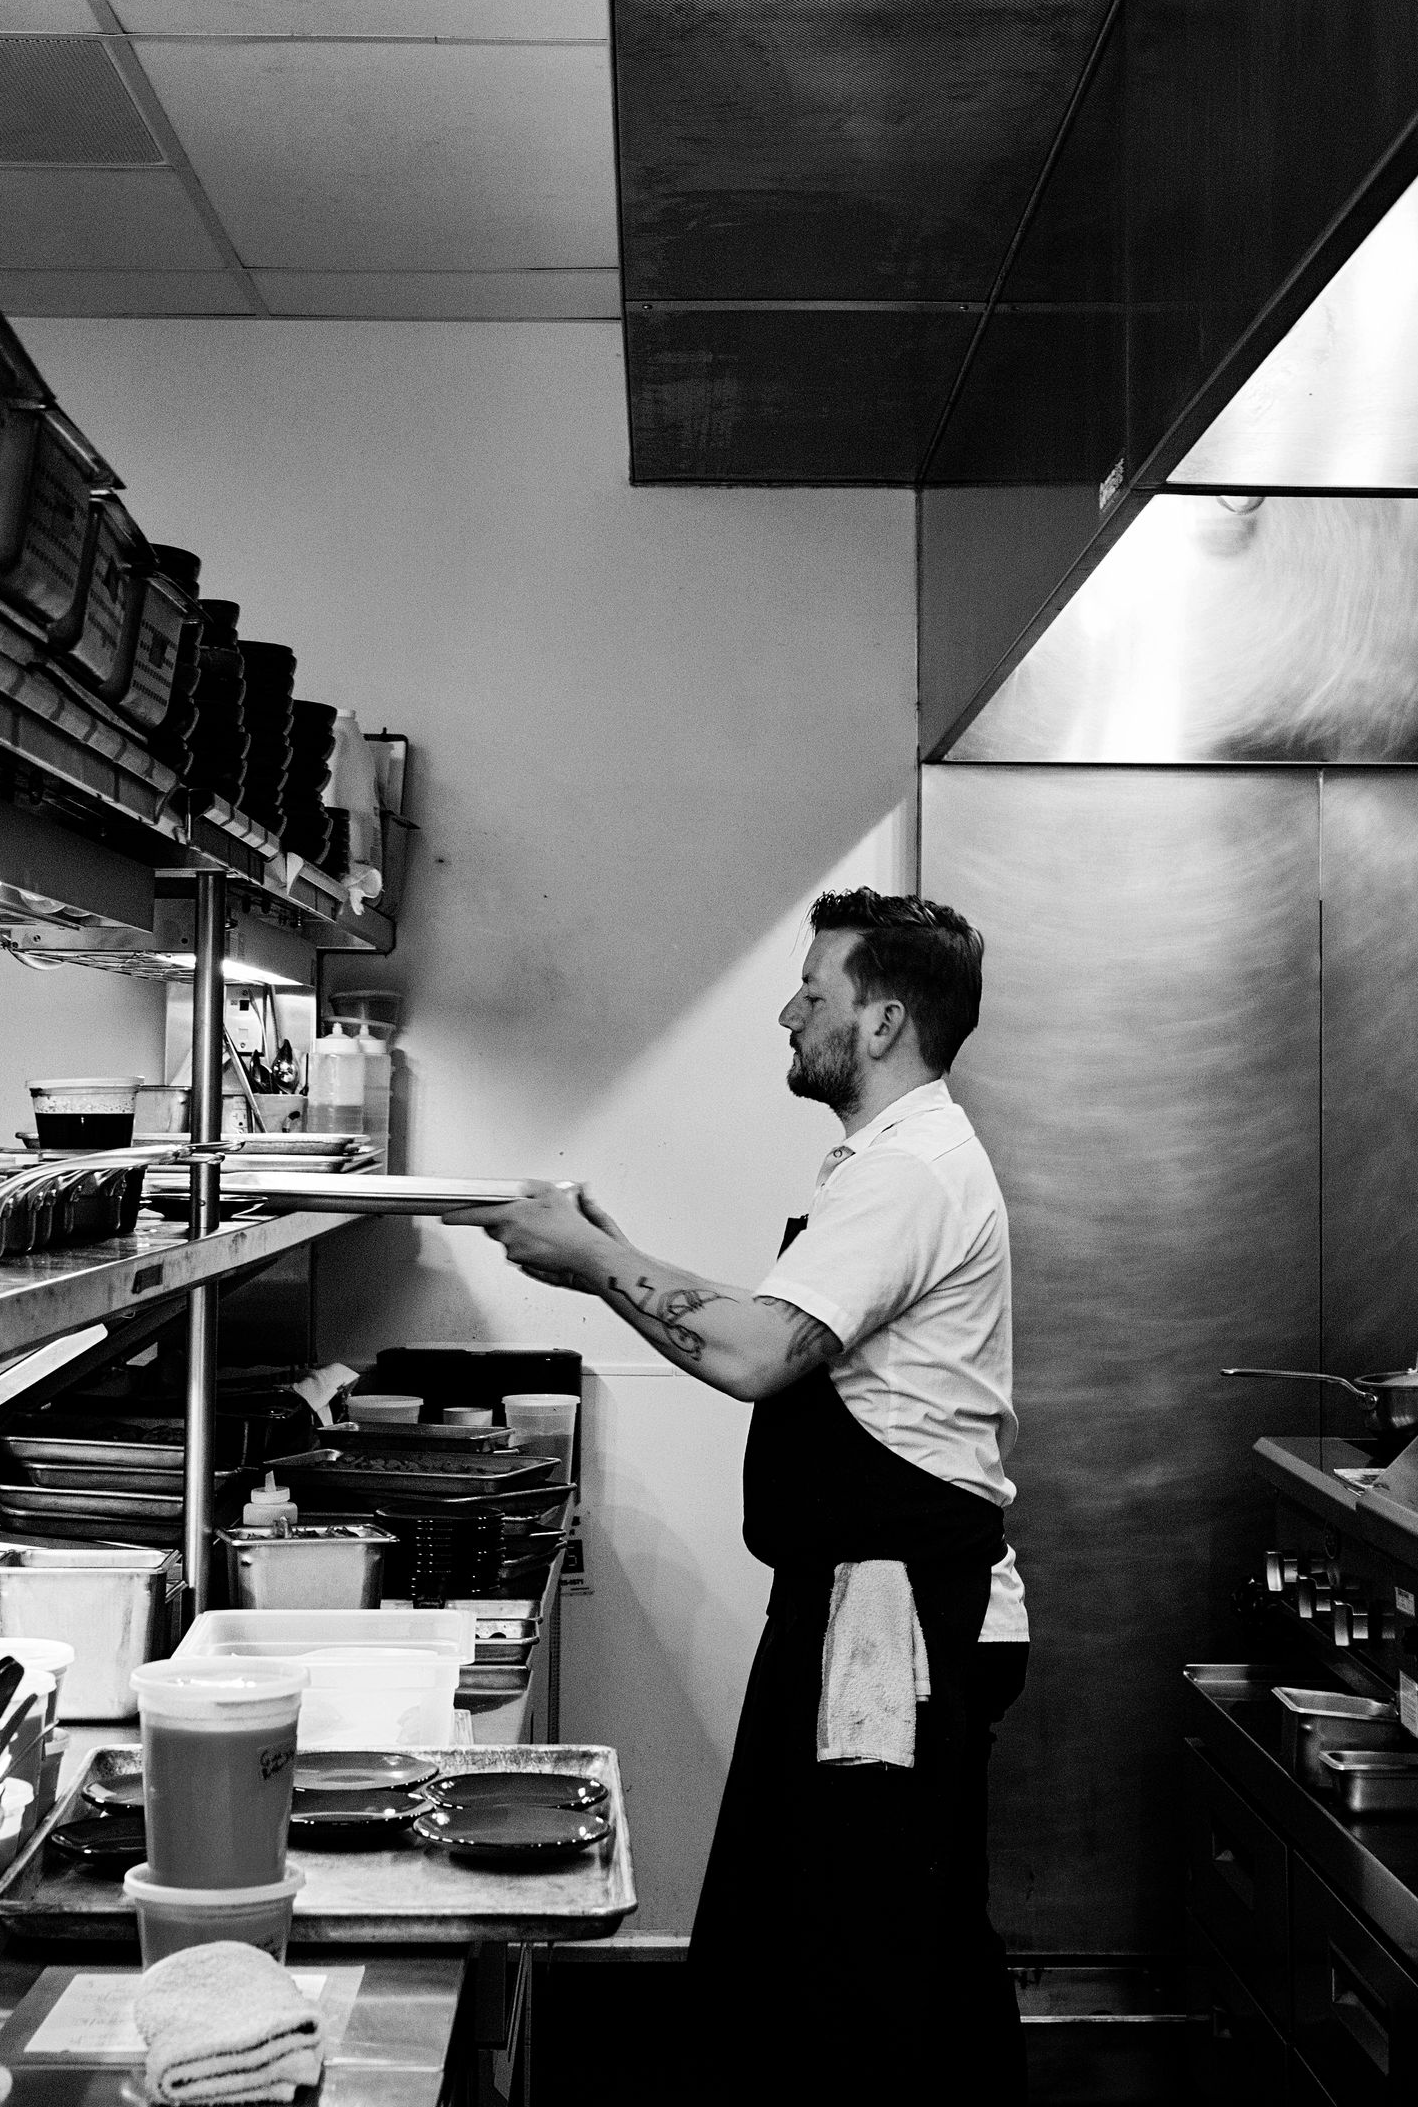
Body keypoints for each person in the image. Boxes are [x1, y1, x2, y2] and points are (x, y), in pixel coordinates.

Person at [470, 889, 1022, 2105]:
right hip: (859, 1611)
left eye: (812, 991)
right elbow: (762, 1331)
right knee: (878, 1946)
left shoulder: (910, 1176)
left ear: (881, 1021)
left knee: (860, 1967)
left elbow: (756, 1353)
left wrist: (592, 1258)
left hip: (892, 1627)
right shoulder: (883, 1163)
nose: (788, 1010)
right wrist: (611, 1266)